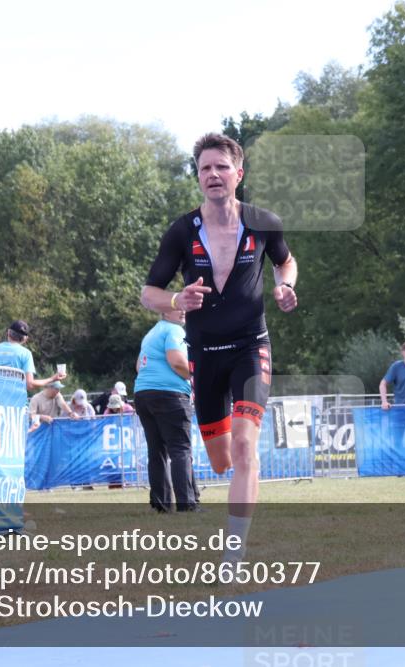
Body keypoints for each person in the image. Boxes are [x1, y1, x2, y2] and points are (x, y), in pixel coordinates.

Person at [140, 132, 298, 562]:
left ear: (238, 174)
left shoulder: (263, 222)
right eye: (204, 168)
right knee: (222, 460)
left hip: (251, 345)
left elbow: (285, 260)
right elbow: (148, 292)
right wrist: (177, 300)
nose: (212, 174)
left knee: (247, 446)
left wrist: (285, 287)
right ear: (198, 178)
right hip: (204, 355)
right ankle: (231, 475)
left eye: (221, 167)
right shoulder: (181, 231)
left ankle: (234, 550)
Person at [134, 309, 198, 512]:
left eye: (183, 307)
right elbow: (177, 361)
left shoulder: (151, 334)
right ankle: (186, 503)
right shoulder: (174, 331)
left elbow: (138, 366)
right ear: (164, 311)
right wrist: (198, 377)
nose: (183, 311)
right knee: (180, 450)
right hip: (169, 395)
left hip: (143, 393)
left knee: (157, 451)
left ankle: (161, 504)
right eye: (177, 307)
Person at [0, 319, 65, 391]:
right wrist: (52, 378)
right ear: (25, 339)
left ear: (8, 332)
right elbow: (30, 385)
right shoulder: (26, 354)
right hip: (15, 403)